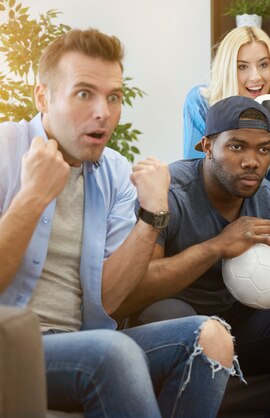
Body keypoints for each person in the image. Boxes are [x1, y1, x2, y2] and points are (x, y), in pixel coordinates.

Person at [0, 29, 237, 417]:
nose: (103, 112)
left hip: (84, 343)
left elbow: (108, 301)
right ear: (42, 96)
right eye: (84, 94)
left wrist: (152, 215)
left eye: (114, 97)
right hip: (11, 348)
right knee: (112, 351)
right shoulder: (5, 149)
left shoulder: (114, 173)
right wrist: (33, 197)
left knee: (212, 338)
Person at [115, 96, 270, 418]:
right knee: (172, 313)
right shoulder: (170, 193)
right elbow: (132, 293)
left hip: (239, 321)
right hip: (173, 321)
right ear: (207, 146)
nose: (253, 161)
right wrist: (217, 246)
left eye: (263, 149)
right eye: (237, 147)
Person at [183, 26, 270, 245]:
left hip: (264, 193)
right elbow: (195, 175)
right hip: (216, 197)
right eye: (242, 67)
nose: (256, 77)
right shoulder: (200, 101)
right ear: (227, 69)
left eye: (263, 64)